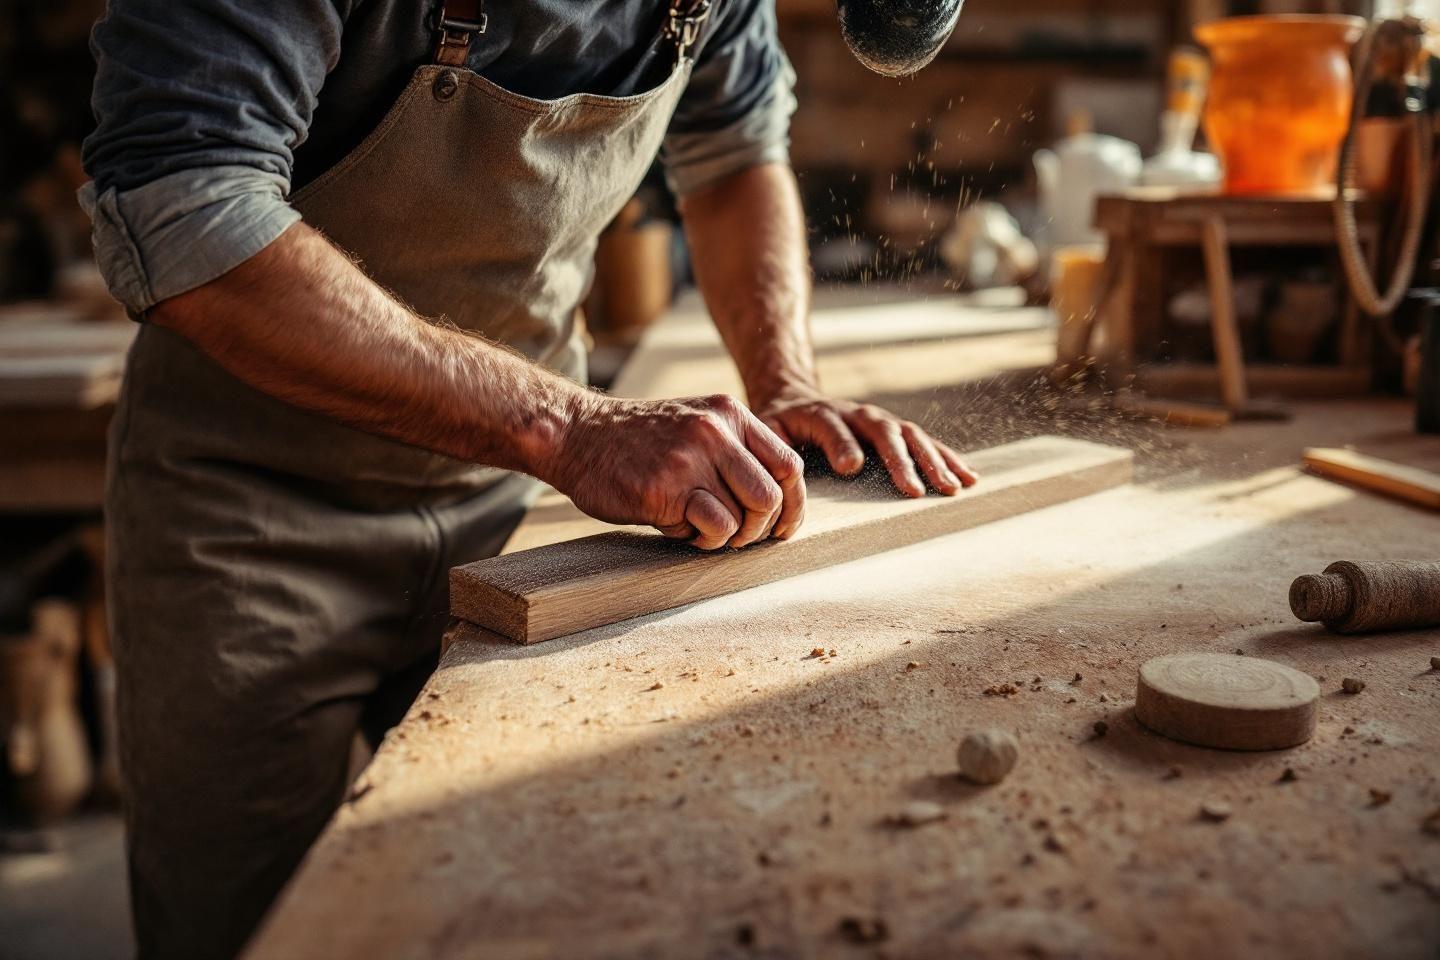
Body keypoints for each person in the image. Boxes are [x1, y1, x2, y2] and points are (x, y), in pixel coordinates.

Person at [81, 1, 978, 956]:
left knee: (511, 902)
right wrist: (573, 430)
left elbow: (733, 150)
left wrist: (785, 382)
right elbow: (187, 206)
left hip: (518, 510)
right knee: (242, 925)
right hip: (247, 512)